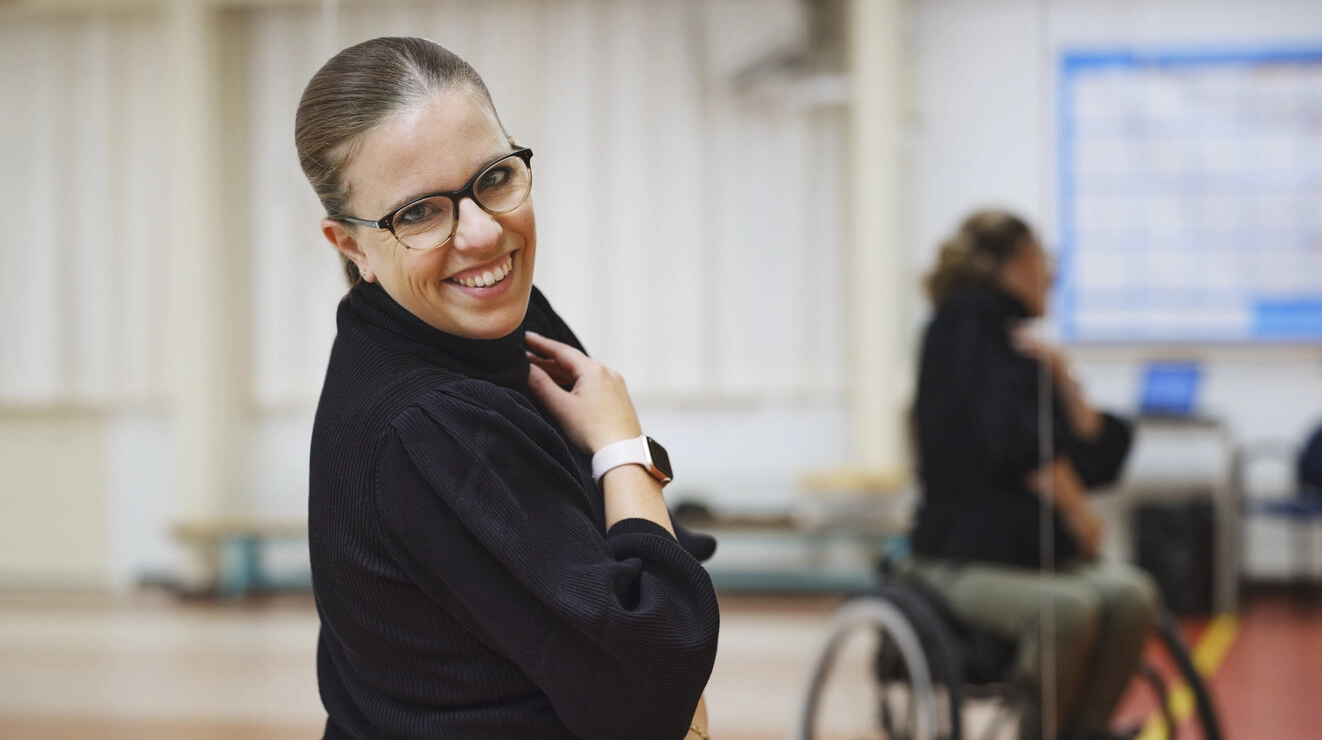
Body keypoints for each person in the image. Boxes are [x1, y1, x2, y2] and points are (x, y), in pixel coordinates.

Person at [296, 37, 719, 740]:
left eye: (493, 178)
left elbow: (652, 564)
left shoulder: (493, 319)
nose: (483, 234)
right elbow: (658, 677)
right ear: (351, 246)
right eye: (419, 212)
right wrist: (625, 449)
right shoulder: (432, 425)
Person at [907, 210, 1159, 740]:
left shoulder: (1014, 340)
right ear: (1020, 259)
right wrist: (1080, 514)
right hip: (960, 560)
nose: (1053, 274)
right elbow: (1022, 446)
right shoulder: (966, 319)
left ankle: (1085, 730)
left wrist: (1065, 379)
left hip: (1023, 557)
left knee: (1132, 596)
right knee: (1065, 613)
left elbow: (1093, 457)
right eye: (1046, 259)